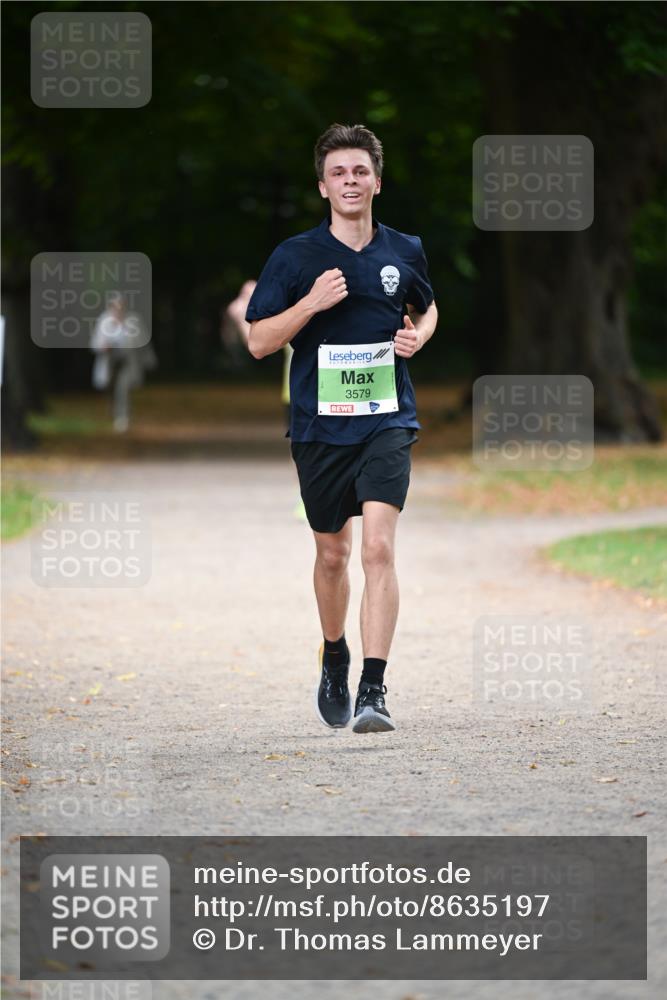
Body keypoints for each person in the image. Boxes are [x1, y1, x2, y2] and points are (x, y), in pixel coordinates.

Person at [246, 123, 438, 734]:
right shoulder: (295, 257)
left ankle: (373, 690)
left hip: (387, 419)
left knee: (379, 548)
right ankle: (334, 656)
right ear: (323, 186)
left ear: (377, 181)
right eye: (339, 173)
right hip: (319, 427)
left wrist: (418, 335)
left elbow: (427, 306)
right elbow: (257, 341)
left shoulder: (404, 249)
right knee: (334, 554)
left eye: (360, 171)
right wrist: (309, 306)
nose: (350, 181)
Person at [90, 293, 156, 432]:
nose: (118, 309)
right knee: (111, 387)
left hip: (127, 361)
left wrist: (147, 360)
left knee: (123, 388)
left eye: (121, 306)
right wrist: (103, 346)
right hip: (110, 362)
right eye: (115, 306)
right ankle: (114, 411)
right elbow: (95, 343)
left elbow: (143, 343)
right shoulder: (104, 320)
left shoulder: (133, 321)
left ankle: (122, 417)